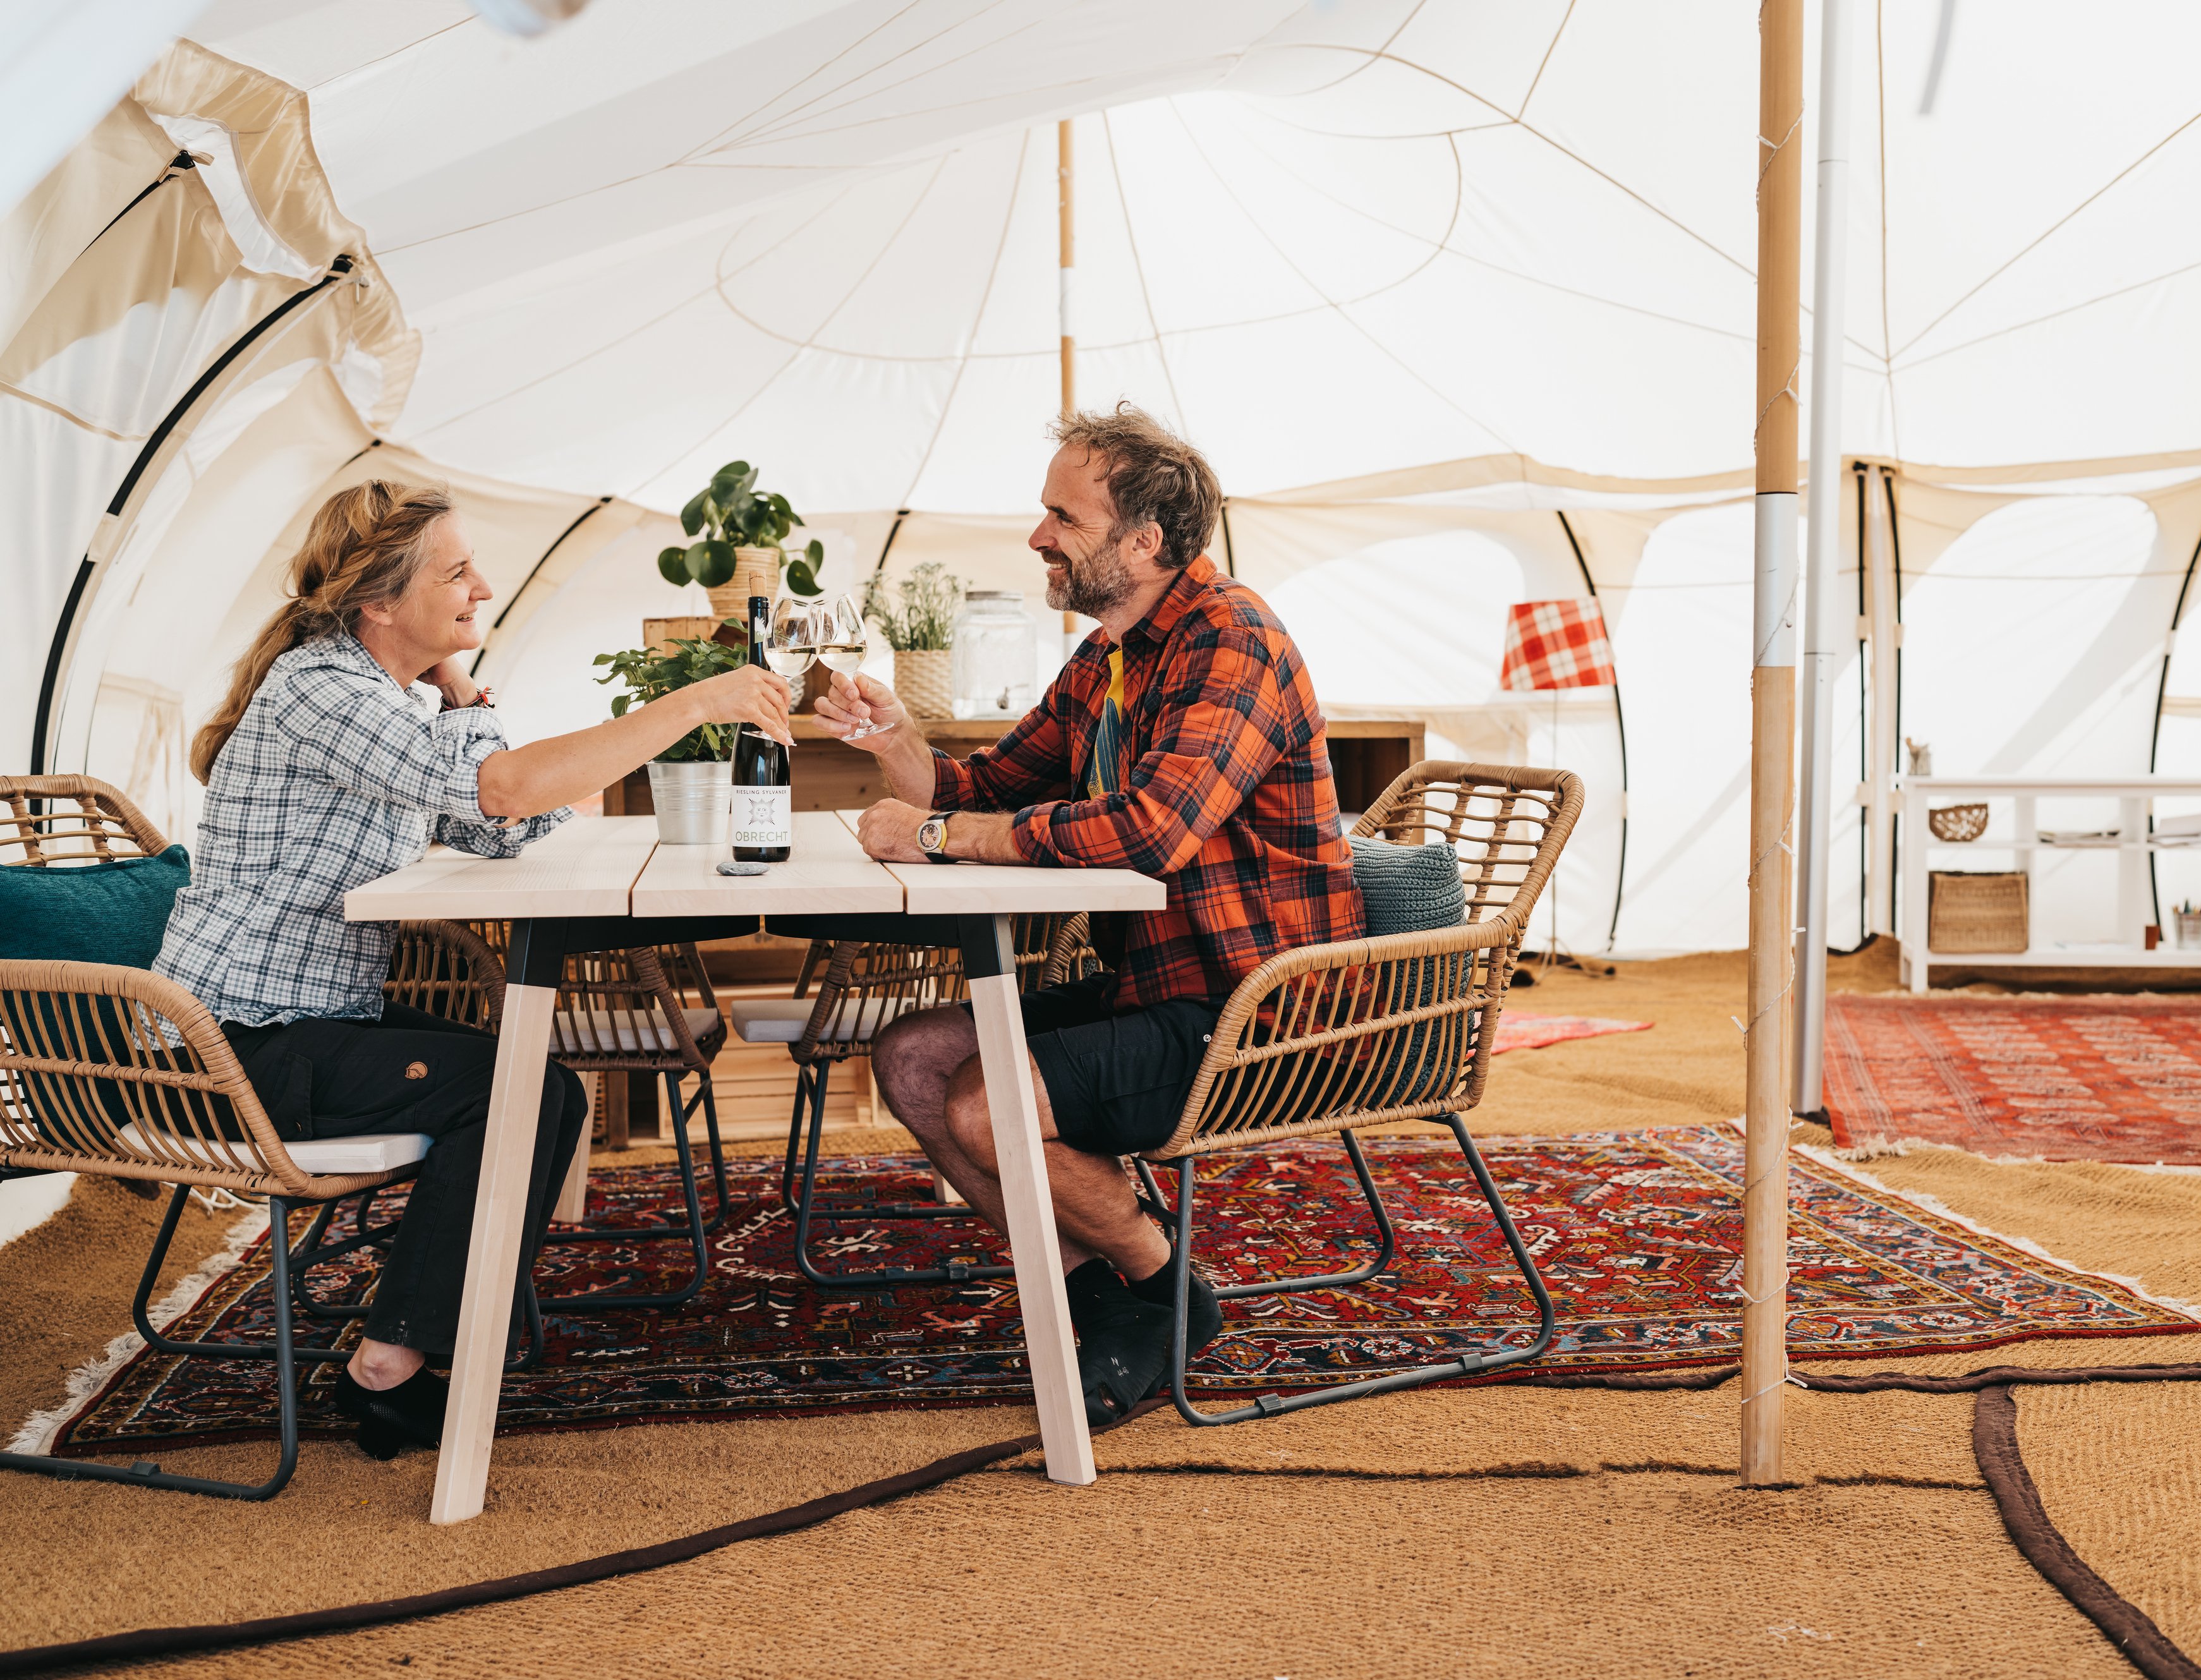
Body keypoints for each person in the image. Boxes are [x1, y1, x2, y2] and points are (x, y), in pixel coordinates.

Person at [158, 480, 792, 1458]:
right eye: (455, 573)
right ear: (378, 601)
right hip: (226, 1053)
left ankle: (407, 1339)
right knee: (518, 1095)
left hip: (308, 1024)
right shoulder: (321, 690)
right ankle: (390, 1363)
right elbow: (500, 793)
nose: (484, 588)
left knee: (544, 1090)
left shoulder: (385, 699)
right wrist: (699, 700)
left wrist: (458, 692)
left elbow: (508, 826)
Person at [816, 406, 1364, 1425]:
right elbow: (977, 783)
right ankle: (1121, 1297)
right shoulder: (1111, 659)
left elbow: (1151, 831)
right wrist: (896, 744)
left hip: (1262, 1005)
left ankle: (1156, 1294)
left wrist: (937, 840)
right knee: (913, 1061)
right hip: (1154, 982)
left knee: (987, 1105)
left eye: (1062, 517)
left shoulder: (1232, 641)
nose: (1038, 538)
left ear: (1144, 541)